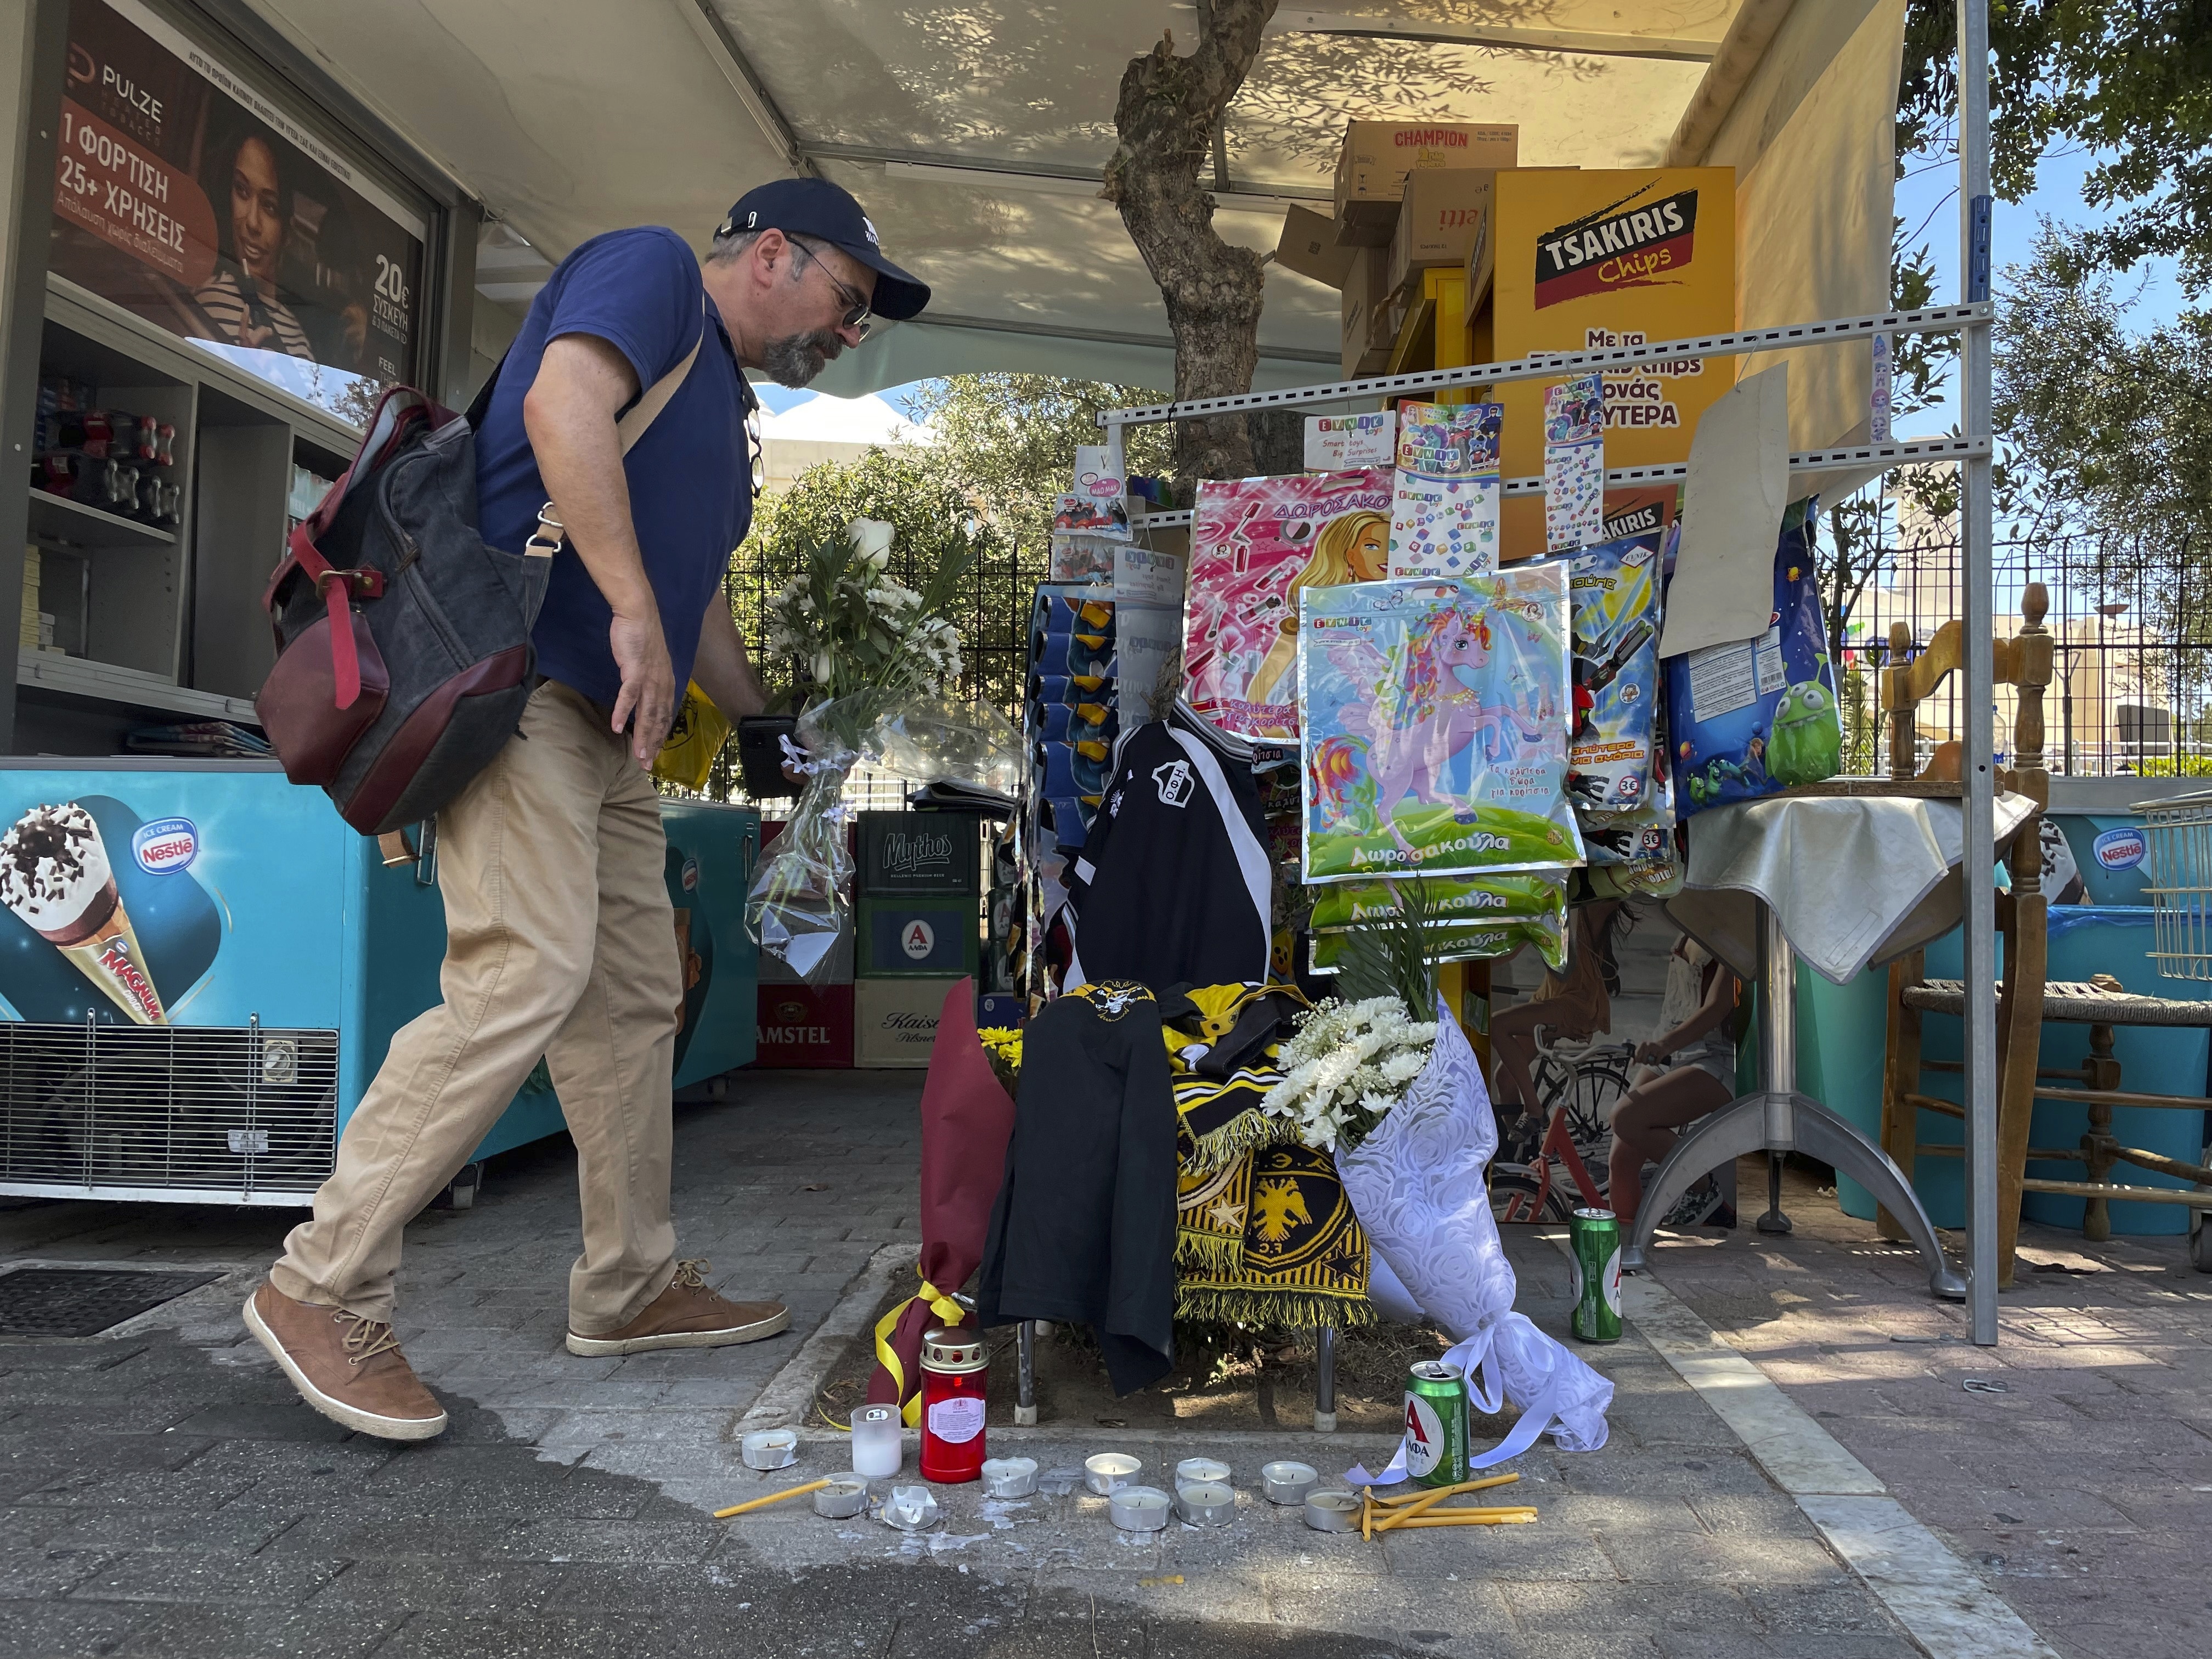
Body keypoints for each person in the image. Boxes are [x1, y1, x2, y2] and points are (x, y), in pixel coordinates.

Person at [244, 179, 930, 1442]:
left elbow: (692, 597)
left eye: (864, 322)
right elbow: (565, 409)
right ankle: (319, 1286)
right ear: (771, 253)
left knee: (628, 1003)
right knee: (526, 975)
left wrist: (767, 715)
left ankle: (626, 1284)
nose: (849, 333)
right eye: (847, 300)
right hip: (522, 696)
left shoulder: (720, 410)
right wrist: (626, 612)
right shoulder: (652, 269)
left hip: (608, 734)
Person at [1607, 934, 1741, 1228]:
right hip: (1672, 1050)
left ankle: (1703, 1189)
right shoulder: (1690, 924)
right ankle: (1627, 1246)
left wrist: (1665, 1045)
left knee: (1626, 1118)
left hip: (1714, 1057)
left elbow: (1718, 1006)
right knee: (1621, 1158)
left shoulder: (1733, 930)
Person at [1488, 901, 1624, 1133]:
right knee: (1504, 1079)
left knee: (1498, 1025)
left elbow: (1617, 892)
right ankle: (1518, 1156)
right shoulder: (1542, 909)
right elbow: (1507, 953)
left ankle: (1534, 1111)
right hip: (1548, 1000)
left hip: (1576, 1003)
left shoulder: (1585, 909)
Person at [1245, 509, 1390, 702]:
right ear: (1350, 554)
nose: (1386, 555)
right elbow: (1263, 686)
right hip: (1321, 716)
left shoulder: (1408, 607)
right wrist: (1267, 722)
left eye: (1392, 546)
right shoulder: (1317, 609)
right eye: (1372, 546)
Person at [193, 133, 315, 360]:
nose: (252, 222)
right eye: (242, 191)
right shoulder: (213, 296)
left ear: (286, 232)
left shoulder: (297, 334)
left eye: (269, 206)